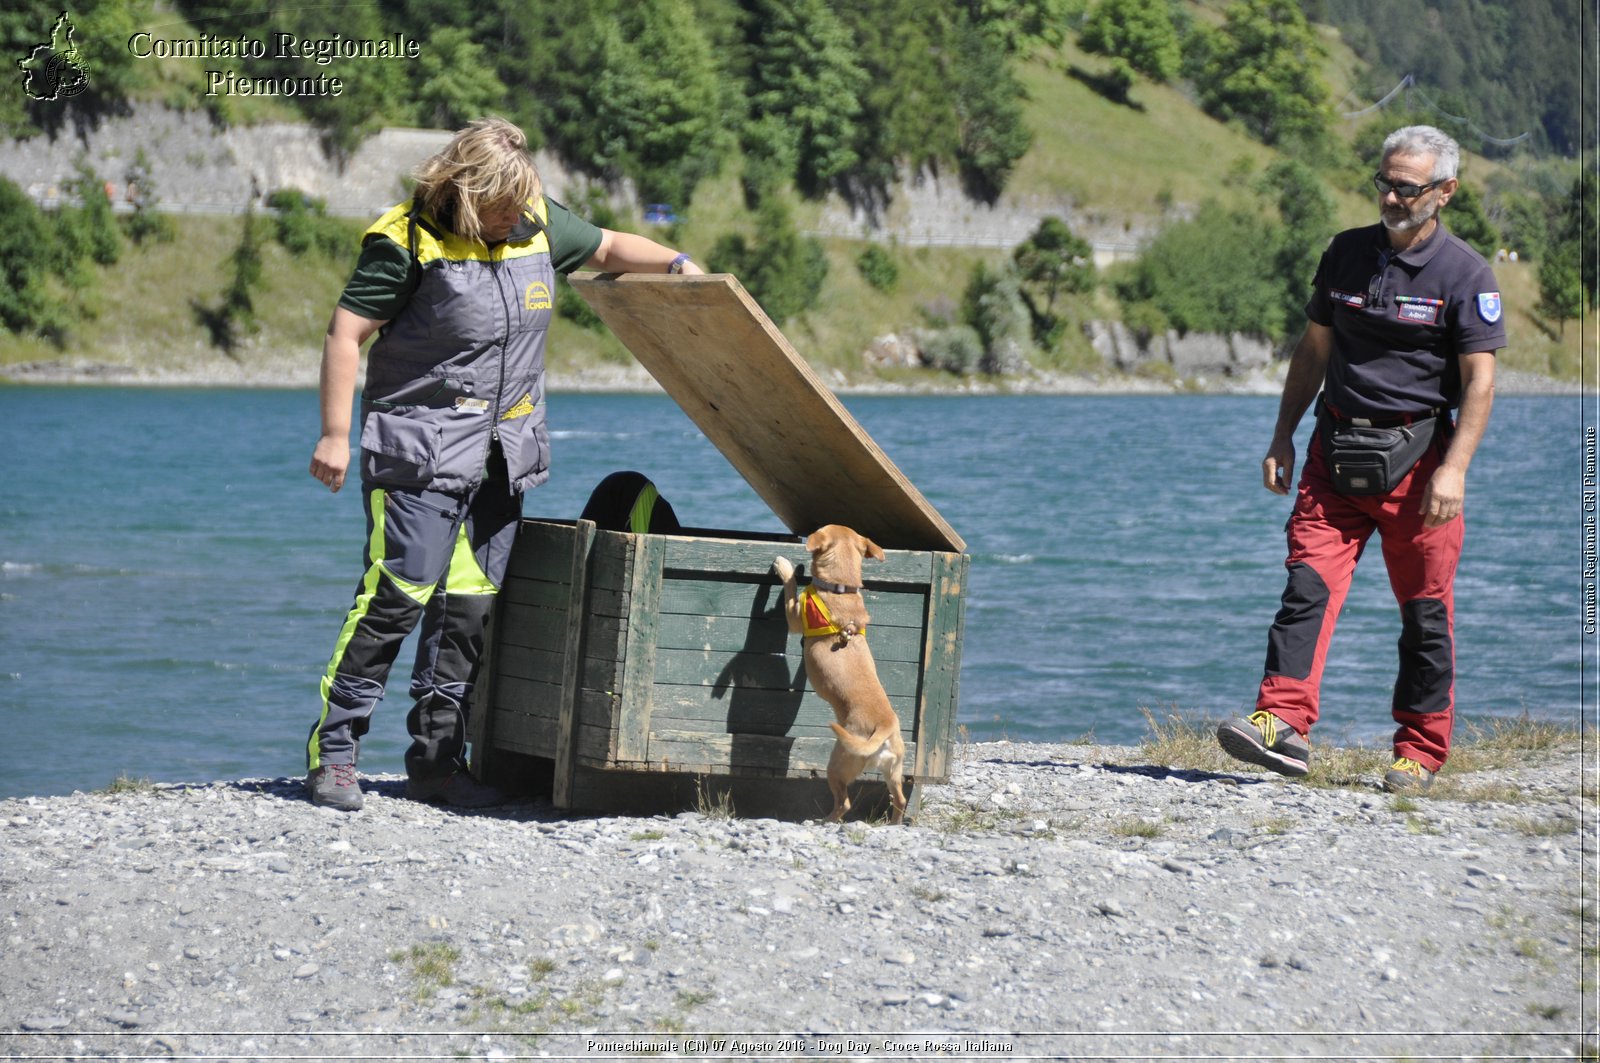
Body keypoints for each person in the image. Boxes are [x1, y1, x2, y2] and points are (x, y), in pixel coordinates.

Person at [304, 117, 703, 811]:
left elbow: (608, 245)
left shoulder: (536, 224)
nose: (516, 216)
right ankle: (334, 753)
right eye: (503, 206)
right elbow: (346, 332)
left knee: (467, 612)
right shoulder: (404, 241)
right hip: (419, 454)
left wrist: (675, 263)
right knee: (395, 600)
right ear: (466, 191)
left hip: (500, 459)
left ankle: (436, 765)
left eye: (523, 204)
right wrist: (335, 435)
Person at [1216, 125, 1504, 795]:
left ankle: (1419, 750)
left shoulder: (1466, 274)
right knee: (1304, 588)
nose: (1393, 197)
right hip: (1333, 453)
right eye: (1385, 182)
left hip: (1420, 465)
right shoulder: (1346, 252)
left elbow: (1481, 381)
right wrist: (1282, 434)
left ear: (1445, 191)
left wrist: (1454, 467)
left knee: (1425, 613)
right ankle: (1281, 725)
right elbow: (1313, 350)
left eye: (1408, 187)